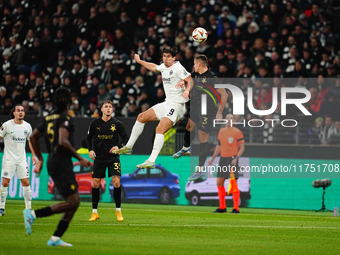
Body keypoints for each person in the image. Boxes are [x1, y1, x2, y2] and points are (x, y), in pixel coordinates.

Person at [24, 87, 91, 247]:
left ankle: (55, 238)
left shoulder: (48, 118)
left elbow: (33, 136)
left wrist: (40, 158)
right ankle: (33, 214)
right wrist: (81, 158)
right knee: (73, 202)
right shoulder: (65, 118)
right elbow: (63, 141)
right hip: (61, 162)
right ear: (69, 101)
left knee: (73, 202)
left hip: (54, 161)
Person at [112, 47, 191, 168]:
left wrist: (186, 90)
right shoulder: (164, 66)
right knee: (141, 117)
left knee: (160, 129)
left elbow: (191, 80)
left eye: (168, 56)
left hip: (177, 105)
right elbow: (154, 67)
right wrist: (139, 61)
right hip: (167, 103)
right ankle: (128, 147)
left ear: (174, 58)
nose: (165, 58)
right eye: (164, 56)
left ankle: (151, 160)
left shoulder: (178, 68)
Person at [171, 55, 228, 181]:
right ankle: (186, 149)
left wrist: (219, 112)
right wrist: (184, 84)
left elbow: (224, 94)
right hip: (196, 107)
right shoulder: (195, 75)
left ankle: (200, 170)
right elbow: (191, 80)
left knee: (202, 136)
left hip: (208, 111)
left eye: (195, 64)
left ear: (200, 65)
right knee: (189, 126)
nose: (193, 66)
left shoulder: (212, 78)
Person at [87, 100, 128, 222]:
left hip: (113, 158)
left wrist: (118, 146)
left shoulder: (117, 123)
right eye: (106, 107)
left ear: (112, 110)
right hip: (99, 158)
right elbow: (89, 138)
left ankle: (118, 211)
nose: (108, 109)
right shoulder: (95, 123)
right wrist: (90, 150)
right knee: (95, 183)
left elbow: (125, 137)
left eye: (110, 107)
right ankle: (94, 212)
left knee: (116, 182)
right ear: (102, 109)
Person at [0, 105, 37, 216]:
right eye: (18, 111)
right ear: (14, 113)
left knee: (26, 183)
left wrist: (34, 155)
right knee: (5, 182)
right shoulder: (6, 125)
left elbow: (30, 141)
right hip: (9, 159)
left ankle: (28, 209)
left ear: (24, 113)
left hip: (22, 160)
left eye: (22, 111)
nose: (20, 112)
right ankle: (1, 207)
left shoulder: (27, 126)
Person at [208, 114, 245, 213]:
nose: (229, 120)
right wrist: (212, 158)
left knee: (233, 184)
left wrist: (236, 158)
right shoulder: (221, 131)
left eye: (231, 118)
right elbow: (219, 146)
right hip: (223, 159)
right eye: (227, 118)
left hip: (232, 159)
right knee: (219, 183)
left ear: (234, 120)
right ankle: (222, 207)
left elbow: (242, 148)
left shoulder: (237, 132)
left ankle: (236, 208)